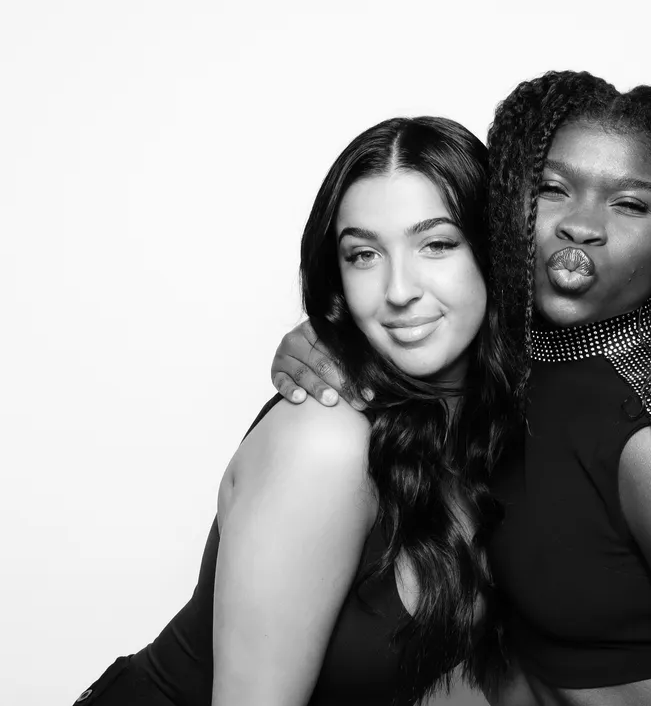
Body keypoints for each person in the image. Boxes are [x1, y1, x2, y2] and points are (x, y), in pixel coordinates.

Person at [271, 72, 651, 706]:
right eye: (553, 189)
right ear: (509, 205)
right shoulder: (506, 373)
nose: (581, 225)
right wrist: (331, 337)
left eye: (630, 203)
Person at [73, 116, 514, 706]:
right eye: (363, 255)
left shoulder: (487, 434)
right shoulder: (324, 443)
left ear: (494, 252)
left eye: (436, 244)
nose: (398, 289)